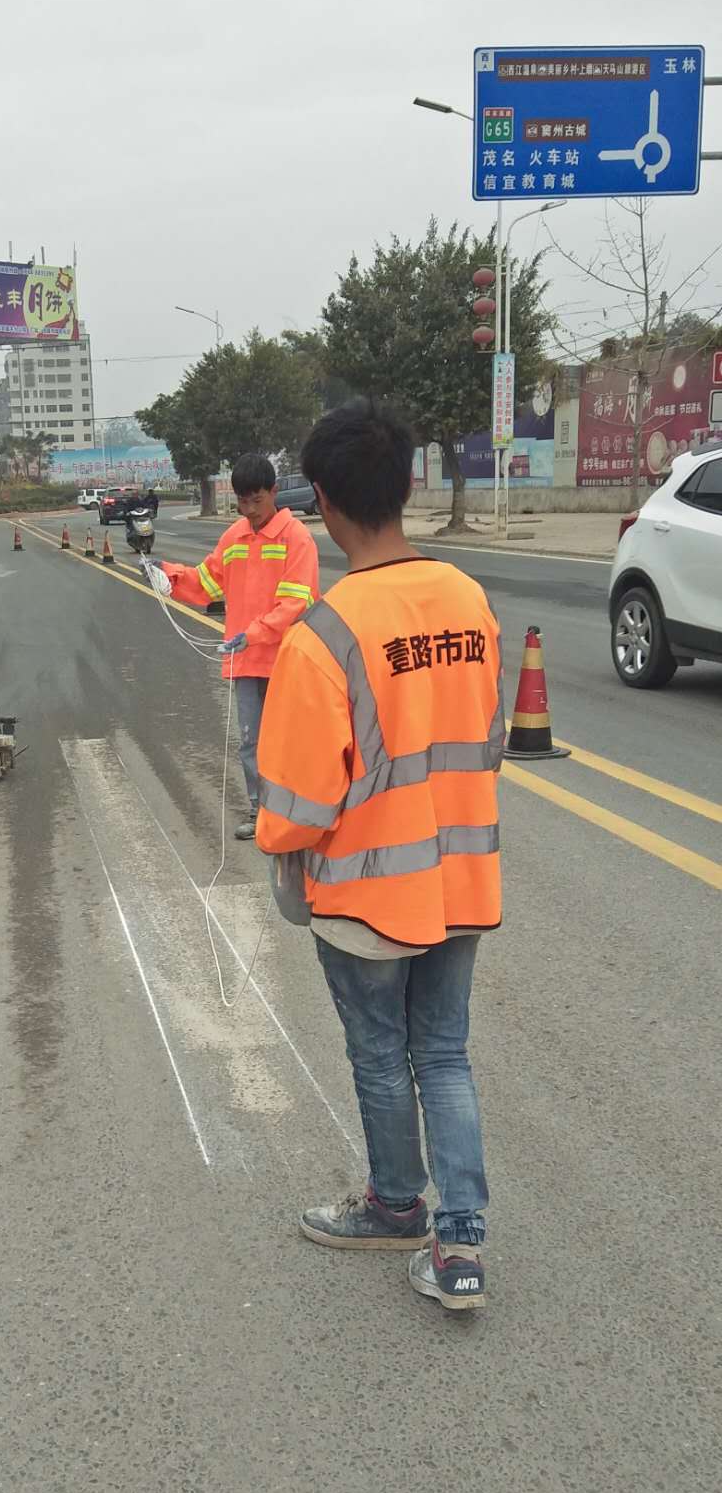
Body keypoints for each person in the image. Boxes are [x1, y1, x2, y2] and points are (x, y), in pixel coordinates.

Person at [255, 400, 504, 1311]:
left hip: (365, 898)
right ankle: (462, 1244)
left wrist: (276, 844)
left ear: (321, 500)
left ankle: (397, 1206)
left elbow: (296, 807)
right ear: (407, 484)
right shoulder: (469, 601)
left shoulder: (323, 635)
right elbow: (485, 738)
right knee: (445, 1054)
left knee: (378, 1054)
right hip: (460, 874)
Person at [153, 452, 320, 839]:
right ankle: (260, 811)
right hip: (247, 661)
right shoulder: (235, 537)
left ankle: (297, 812)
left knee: (290, 741)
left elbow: (297, 603)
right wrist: (170, 577)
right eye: (243, 501)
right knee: (252, 742)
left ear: (274, 493)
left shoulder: (297, 540)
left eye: (256, 500)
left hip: (285, 660)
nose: (250, 510)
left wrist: (256, 632)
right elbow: (208, 583)